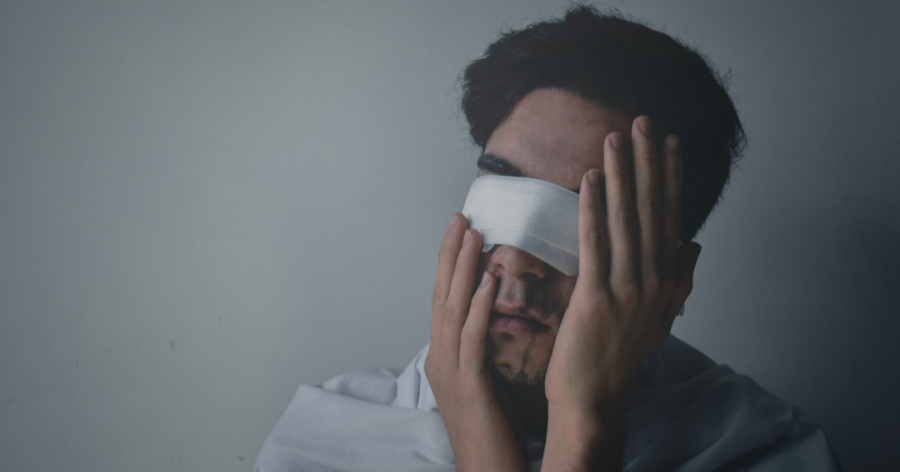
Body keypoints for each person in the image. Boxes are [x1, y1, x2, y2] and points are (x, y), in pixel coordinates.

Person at [255, 6, 840, 472]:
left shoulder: (766, 452)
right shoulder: (324, 446)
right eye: (502, 192)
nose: (514, 260)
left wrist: (585, 425)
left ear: (674, 282)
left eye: (586, 219)